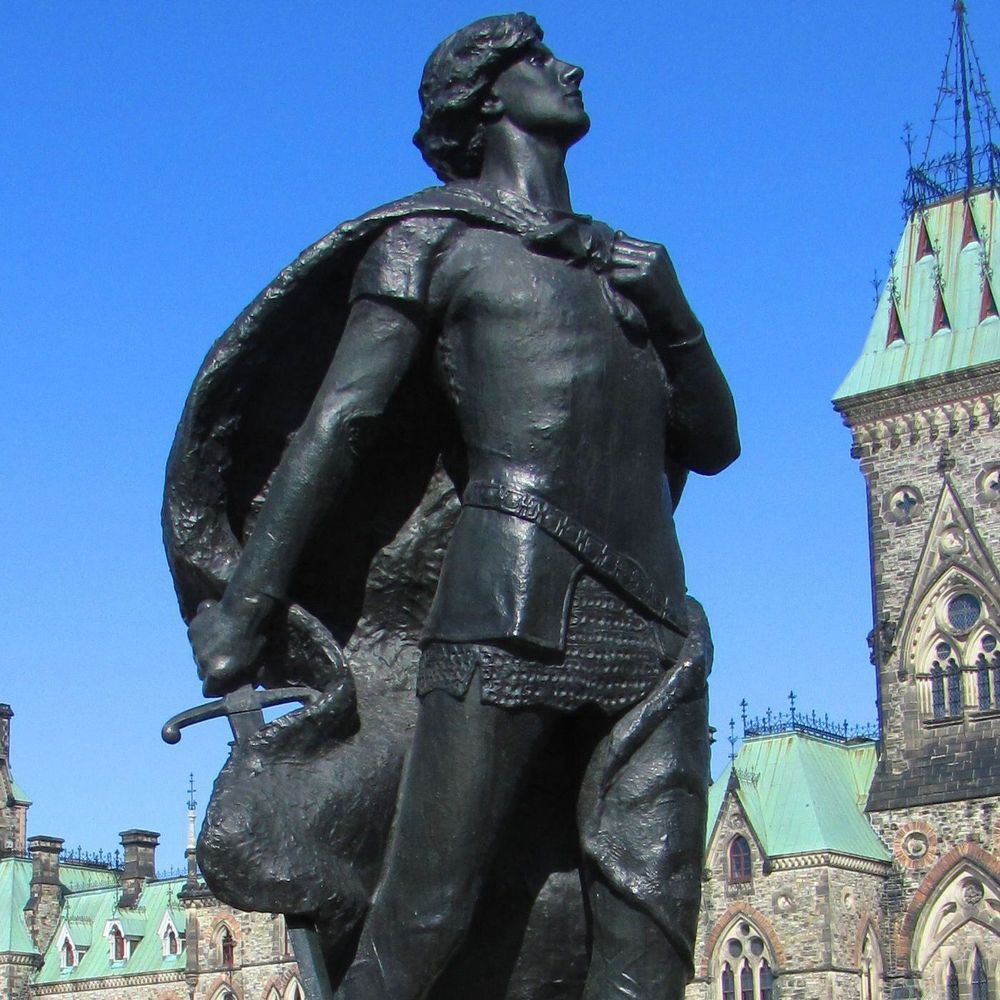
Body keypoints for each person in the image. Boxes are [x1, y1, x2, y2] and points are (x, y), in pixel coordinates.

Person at [184, 13, 738, 999]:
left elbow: (714, 441)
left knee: (650, 932)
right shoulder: (429, 243)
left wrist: (673, 311)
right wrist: (248, 601)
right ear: (483, 100)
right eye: (533, 60)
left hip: (654, 625)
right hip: (508, 604)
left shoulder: (626, 267)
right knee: (426, 911)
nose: (565, 68)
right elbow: (337, 427)